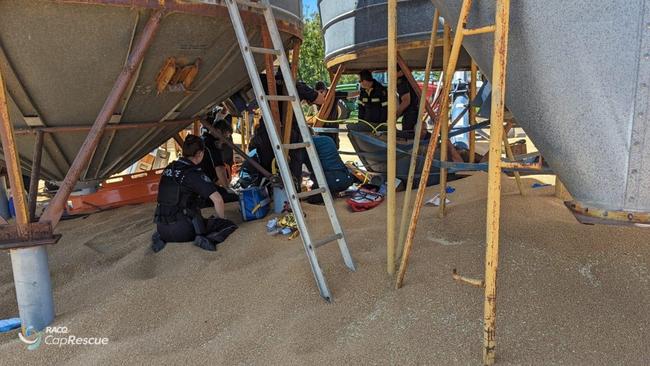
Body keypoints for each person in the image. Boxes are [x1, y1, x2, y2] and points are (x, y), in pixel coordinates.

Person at [151, 135, 237, 253]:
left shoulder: (168, 169)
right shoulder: (192, 173)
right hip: (183, 230)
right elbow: (218, 200)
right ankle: (202, 238)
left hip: (161, 229)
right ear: (200, 154)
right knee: (229, 225)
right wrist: (222, 219)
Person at [250, 73, 325, 183]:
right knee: (293, 167)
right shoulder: (297, 86)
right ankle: (293, 191)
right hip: (290, 131)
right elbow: (320, 100)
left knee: (267, 168)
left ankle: (269, 192)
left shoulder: (264, 80)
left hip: (267, 130)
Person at [305, 135, 354, 204]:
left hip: (331, 181)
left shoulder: (309, 143)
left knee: (312, 199)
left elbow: (304, 165)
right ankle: (333, 192)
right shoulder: (327, 139)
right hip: (346, 179)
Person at [313, 81, 352, 149]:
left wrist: (361, 92)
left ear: (325, 90)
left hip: (332, 125)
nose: (320, 94)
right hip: (321, 125)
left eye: (322, 92)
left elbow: (349, 94)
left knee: (334, 145)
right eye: (318, 92)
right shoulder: (315, 96)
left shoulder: (334, 94)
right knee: (322, 146)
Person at [396, 65, 420, 138]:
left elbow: (406, 101)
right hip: (414, 112)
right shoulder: (409, 79)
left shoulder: (401, 81)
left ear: (400, 72)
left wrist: (396, 115)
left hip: (410, 115)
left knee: (407, 137)